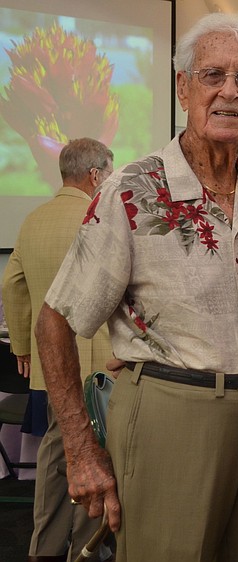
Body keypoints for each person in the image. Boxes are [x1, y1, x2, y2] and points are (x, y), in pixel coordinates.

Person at [34, 13, 238, 561]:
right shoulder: (132, 191)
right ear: (183, 87)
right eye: (213, 75)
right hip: (171, 412)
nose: (230, 91)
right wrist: (81, 448)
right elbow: (56, 320)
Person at [2, 138, 115, 562]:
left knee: (55, 449)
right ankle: (85, 549)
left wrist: (22, 344)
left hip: (50, 363)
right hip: (100, 362)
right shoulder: (99, 216)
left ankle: (43, 547)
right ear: (95, 175)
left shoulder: (33, 220)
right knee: (97, 451)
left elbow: (12, 284)